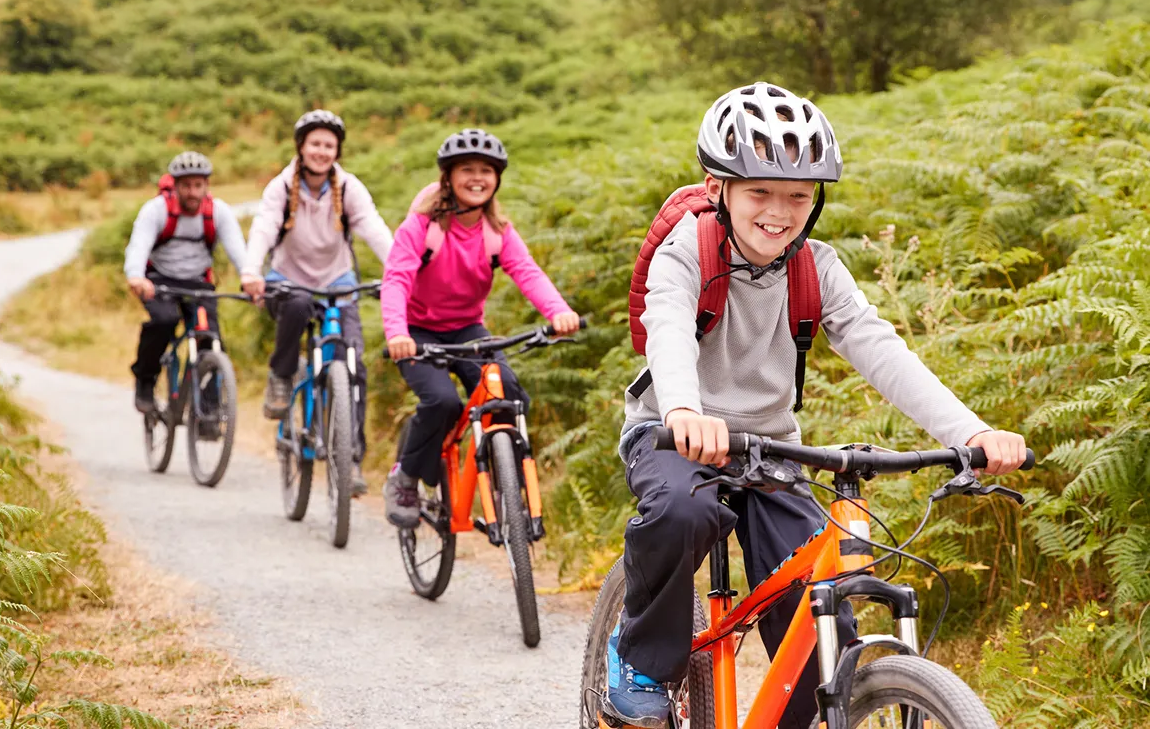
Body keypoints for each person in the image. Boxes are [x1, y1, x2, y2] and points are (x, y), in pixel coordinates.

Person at [605, 83, 1029, 729]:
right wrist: (683, 411)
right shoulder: (686, 251)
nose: (778, 212)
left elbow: (882, 352)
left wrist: (970, 431)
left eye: (797, 197)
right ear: (716, 187)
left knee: (818, 602)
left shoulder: (816, 269)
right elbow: (663, 323)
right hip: (672, 437)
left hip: (770, 452)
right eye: (758, 193)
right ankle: (637, 659)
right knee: (681, 512)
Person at [379, 128, 580, 528]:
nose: (477, 178)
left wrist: (559, 312)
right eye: (466, 169)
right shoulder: (422, 227)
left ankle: (511, 485)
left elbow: (528, 273)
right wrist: (397, 333)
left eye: (486, 170)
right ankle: (404, 478)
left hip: (468, 328)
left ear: (497, 178)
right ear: (448, 178)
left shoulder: (497, 232)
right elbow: (397, 278)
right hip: (417, 332)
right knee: (442, 402)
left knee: (508, 395)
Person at [241, 110, 393, 496]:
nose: (322, 151)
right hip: (287, 278)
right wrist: (250, 271)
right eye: (315, 144)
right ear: (301, 147)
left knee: (353, 362)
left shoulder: (348, 187)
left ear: (337, 150)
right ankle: (281, 375)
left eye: (329, 145)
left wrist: (399, 270)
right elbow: (263, 227)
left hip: (338, 280)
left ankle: (351, 460)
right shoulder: (281, 187)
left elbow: (373, 227)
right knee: (295, 305)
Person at [124, 151, 248, 413]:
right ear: (175, 186)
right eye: (186, 186)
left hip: (198, 283)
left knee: (211, 339)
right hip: (159, 282)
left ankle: (209, 410)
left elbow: (239, 252)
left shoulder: (218, 212)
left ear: (207, 186)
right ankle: (145, 381)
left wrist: (251, 278)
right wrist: (136, 277)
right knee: (163, 322)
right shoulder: (156, 210)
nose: (192, 192)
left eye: (198, 185)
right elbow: (138, 246)